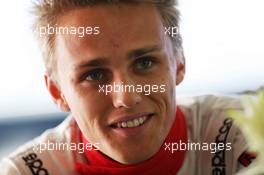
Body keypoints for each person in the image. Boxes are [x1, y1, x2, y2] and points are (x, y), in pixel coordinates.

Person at [0, 0, 256, 174]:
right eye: (95, 74)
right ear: (57, 92)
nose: (127, 97)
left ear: (178, 64)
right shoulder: (24, 171)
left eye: (145, 63)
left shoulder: (246, 134)